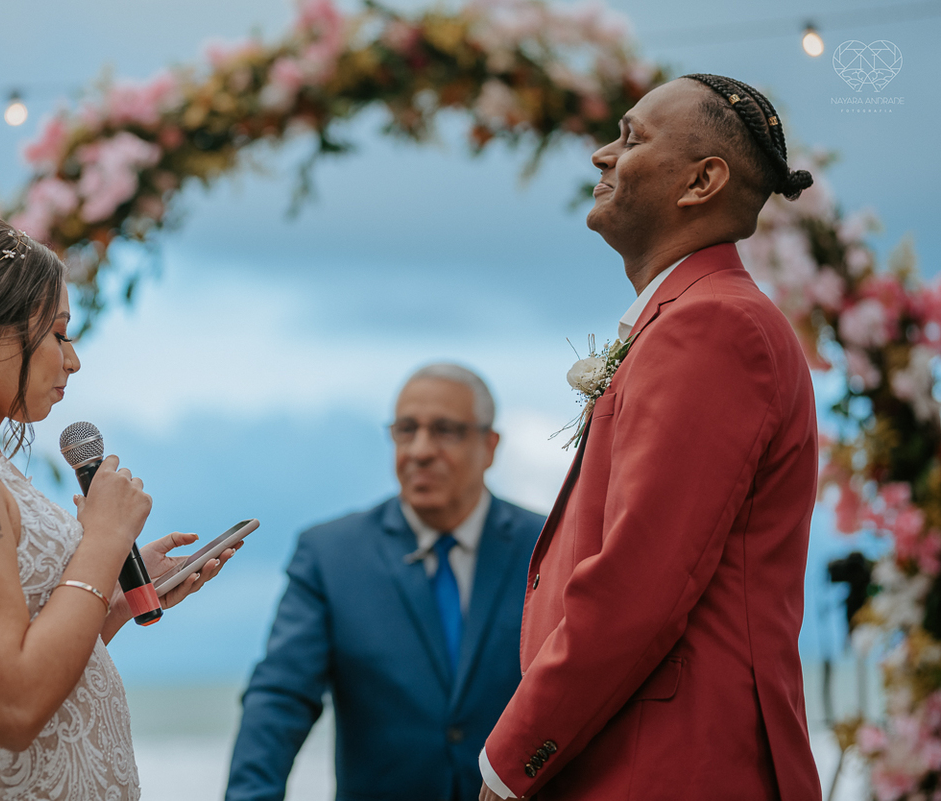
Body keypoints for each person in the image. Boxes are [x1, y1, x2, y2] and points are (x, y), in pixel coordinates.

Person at [478, 75, 820, 800]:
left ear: (702, 180)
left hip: (670, 769)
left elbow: (639, 581)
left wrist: (508, 763)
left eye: (631, 138)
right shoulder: (693, 314)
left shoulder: (712, 324)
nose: (603, 154)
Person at [0, 212, 237, 801]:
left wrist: (114, 597)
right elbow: (11, 704)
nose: (72, 361)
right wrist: (103, 542)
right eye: (57, 334)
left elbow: (15, 661)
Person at [226, 364, 545, 801]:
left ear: (490, 446)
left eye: (445, 430)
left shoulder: (547, 546)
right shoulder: (330, 555)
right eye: (406, 429)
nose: (420, 450)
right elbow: (281, 698)